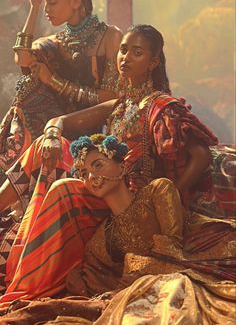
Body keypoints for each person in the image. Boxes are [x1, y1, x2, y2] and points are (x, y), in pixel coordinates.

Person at [0, 24, 234, 298]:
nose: (126, 58)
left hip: (131, 202)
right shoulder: (121, 104)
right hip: (103, 188)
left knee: (63, 190)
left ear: (153, 62)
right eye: (123, 50)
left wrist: (173, 195)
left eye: (137, 53)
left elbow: (201, 155)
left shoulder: (162, 106)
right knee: (45, 144)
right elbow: (59, 121)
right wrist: (52, 134)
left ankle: (28, 283)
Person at [0, 134, 235, 324]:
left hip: (185, 269)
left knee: (171, 296)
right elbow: (97, 285)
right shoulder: (101, 239)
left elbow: (172, 252)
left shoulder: (157, 192)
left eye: (98, 165)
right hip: (139, 290)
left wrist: (131, 270)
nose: (92, 177)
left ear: (121, 165)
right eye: (83, 173)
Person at [0, 0, 122, 182]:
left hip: (90, 131)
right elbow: (22, 59)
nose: (47, 9)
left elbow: (111, 98)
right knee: (28, 87)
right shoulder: (53, 43)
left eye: (52, 3)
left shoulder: (109, 36)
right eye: (45, 4)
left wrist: (53, 81)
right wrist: (34, 7)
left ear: (76, 1)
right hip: (51, 133)